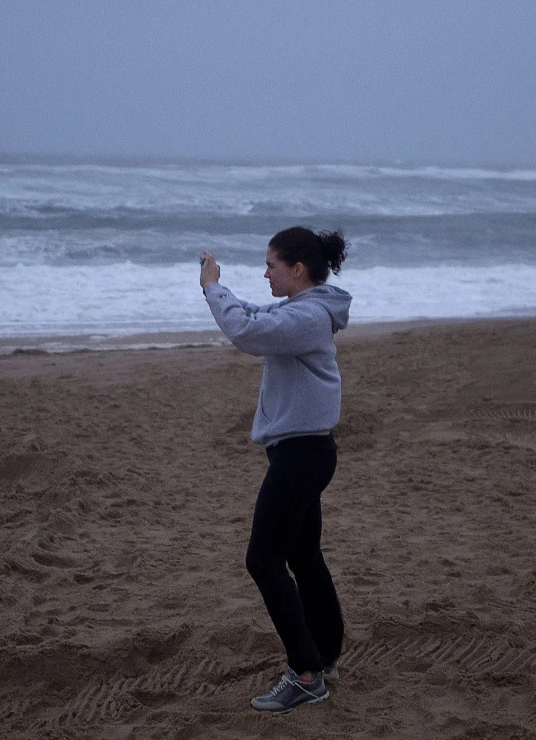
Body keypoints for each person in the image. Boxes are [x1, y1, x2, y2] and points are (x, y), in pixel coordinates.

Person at [200, 227, 352, 713]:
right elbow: (255, 315)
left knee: (263, 561)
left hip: (302, 456)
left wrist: (210, 287)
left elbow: (246, 332)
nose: (265, 272)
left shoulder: (307, 316)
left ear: (298, 269)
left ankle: (306, 673)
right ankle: (325, 657)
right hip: (304, 452)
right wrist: (224, 292)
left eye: (271, 264)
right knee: (304, 555)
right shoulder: (303, 311)